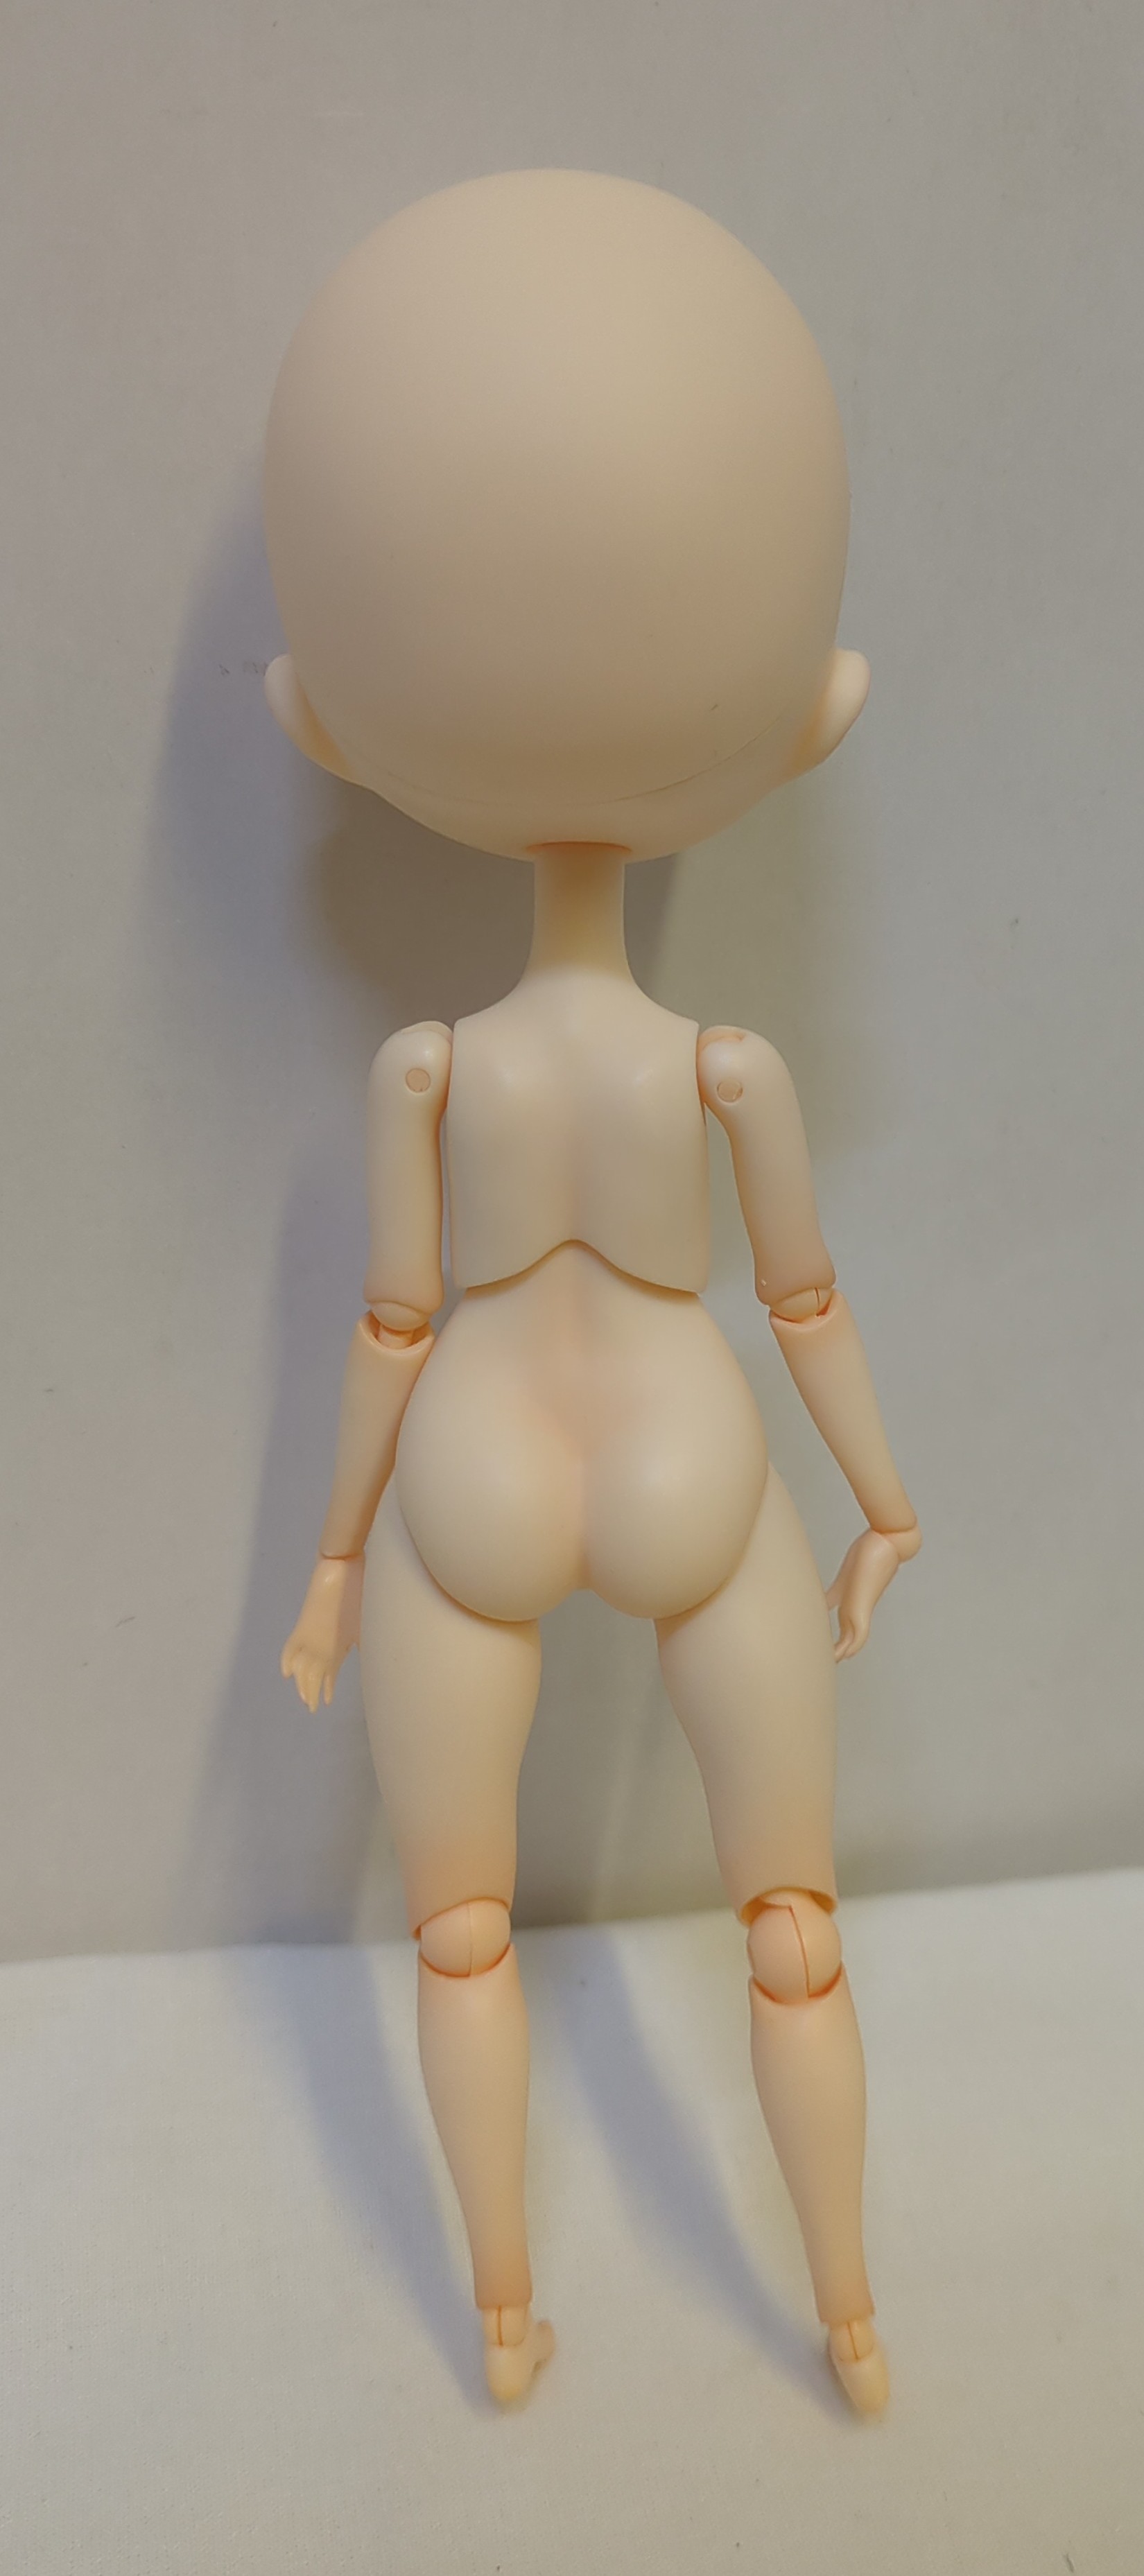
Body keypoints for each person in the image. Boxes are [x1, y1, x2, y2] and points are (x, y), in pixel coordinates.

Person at [268, 170, 920, 2415]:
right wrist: (878, 1499)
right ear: (817, 710)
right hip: (687, 1449)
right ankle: (847, 2311)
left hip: (466, 1457)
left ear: (315, 718)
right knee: (791, 1923)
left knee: (458, 1928)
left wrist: (335, 1560)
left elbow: (389, 1324)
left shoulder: (428, 1067)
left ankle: (504, 2310)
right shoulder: (721, 1062)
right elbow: (804, 1301)